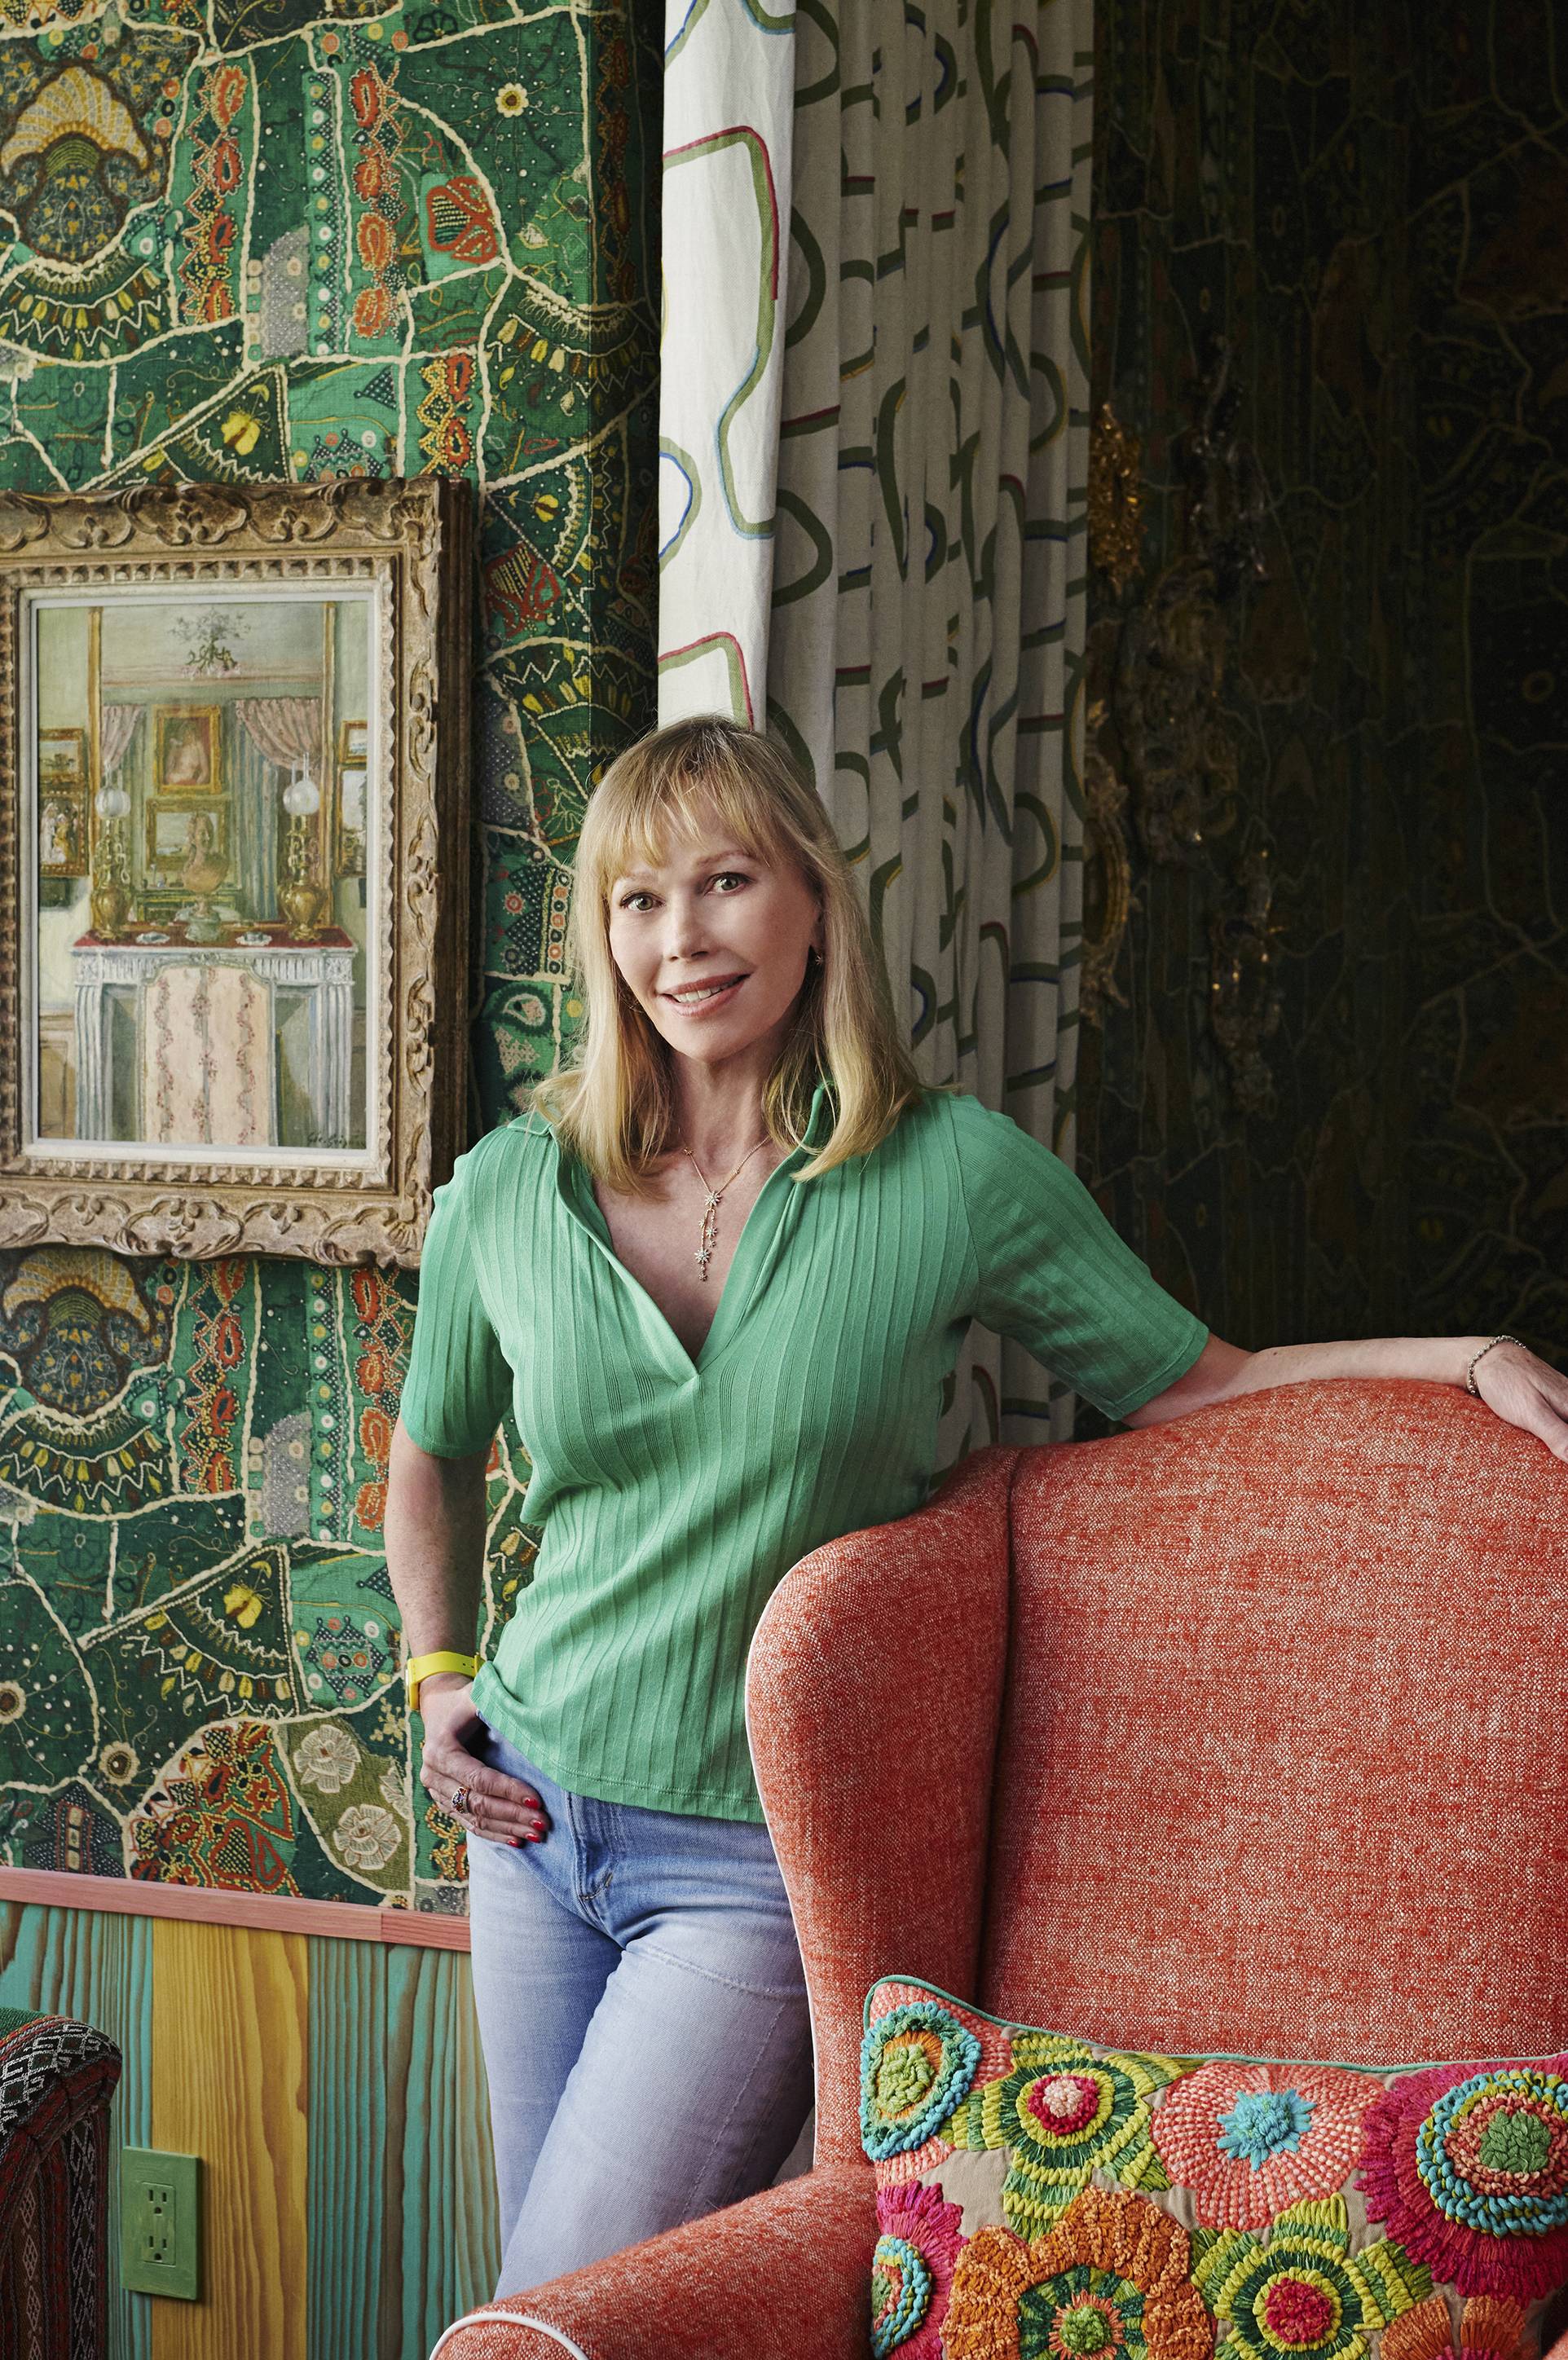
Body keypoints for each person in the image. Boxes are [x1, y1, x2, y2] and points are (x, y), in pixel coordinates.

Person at [385, 716, 1568, 2300]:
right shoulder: (506, 1188)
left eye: (725, 882)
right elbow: (429, 1450)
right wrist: (436, 1673)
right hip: (527, 1820)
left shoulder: (948, 1175)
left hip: (750, 1861)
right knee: (593, 2319)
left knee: (545, 2300)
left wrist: (1463, 1356)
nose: (682, 938)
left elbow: (1191, 1380)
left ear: (813, 902)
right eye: (636, 899)